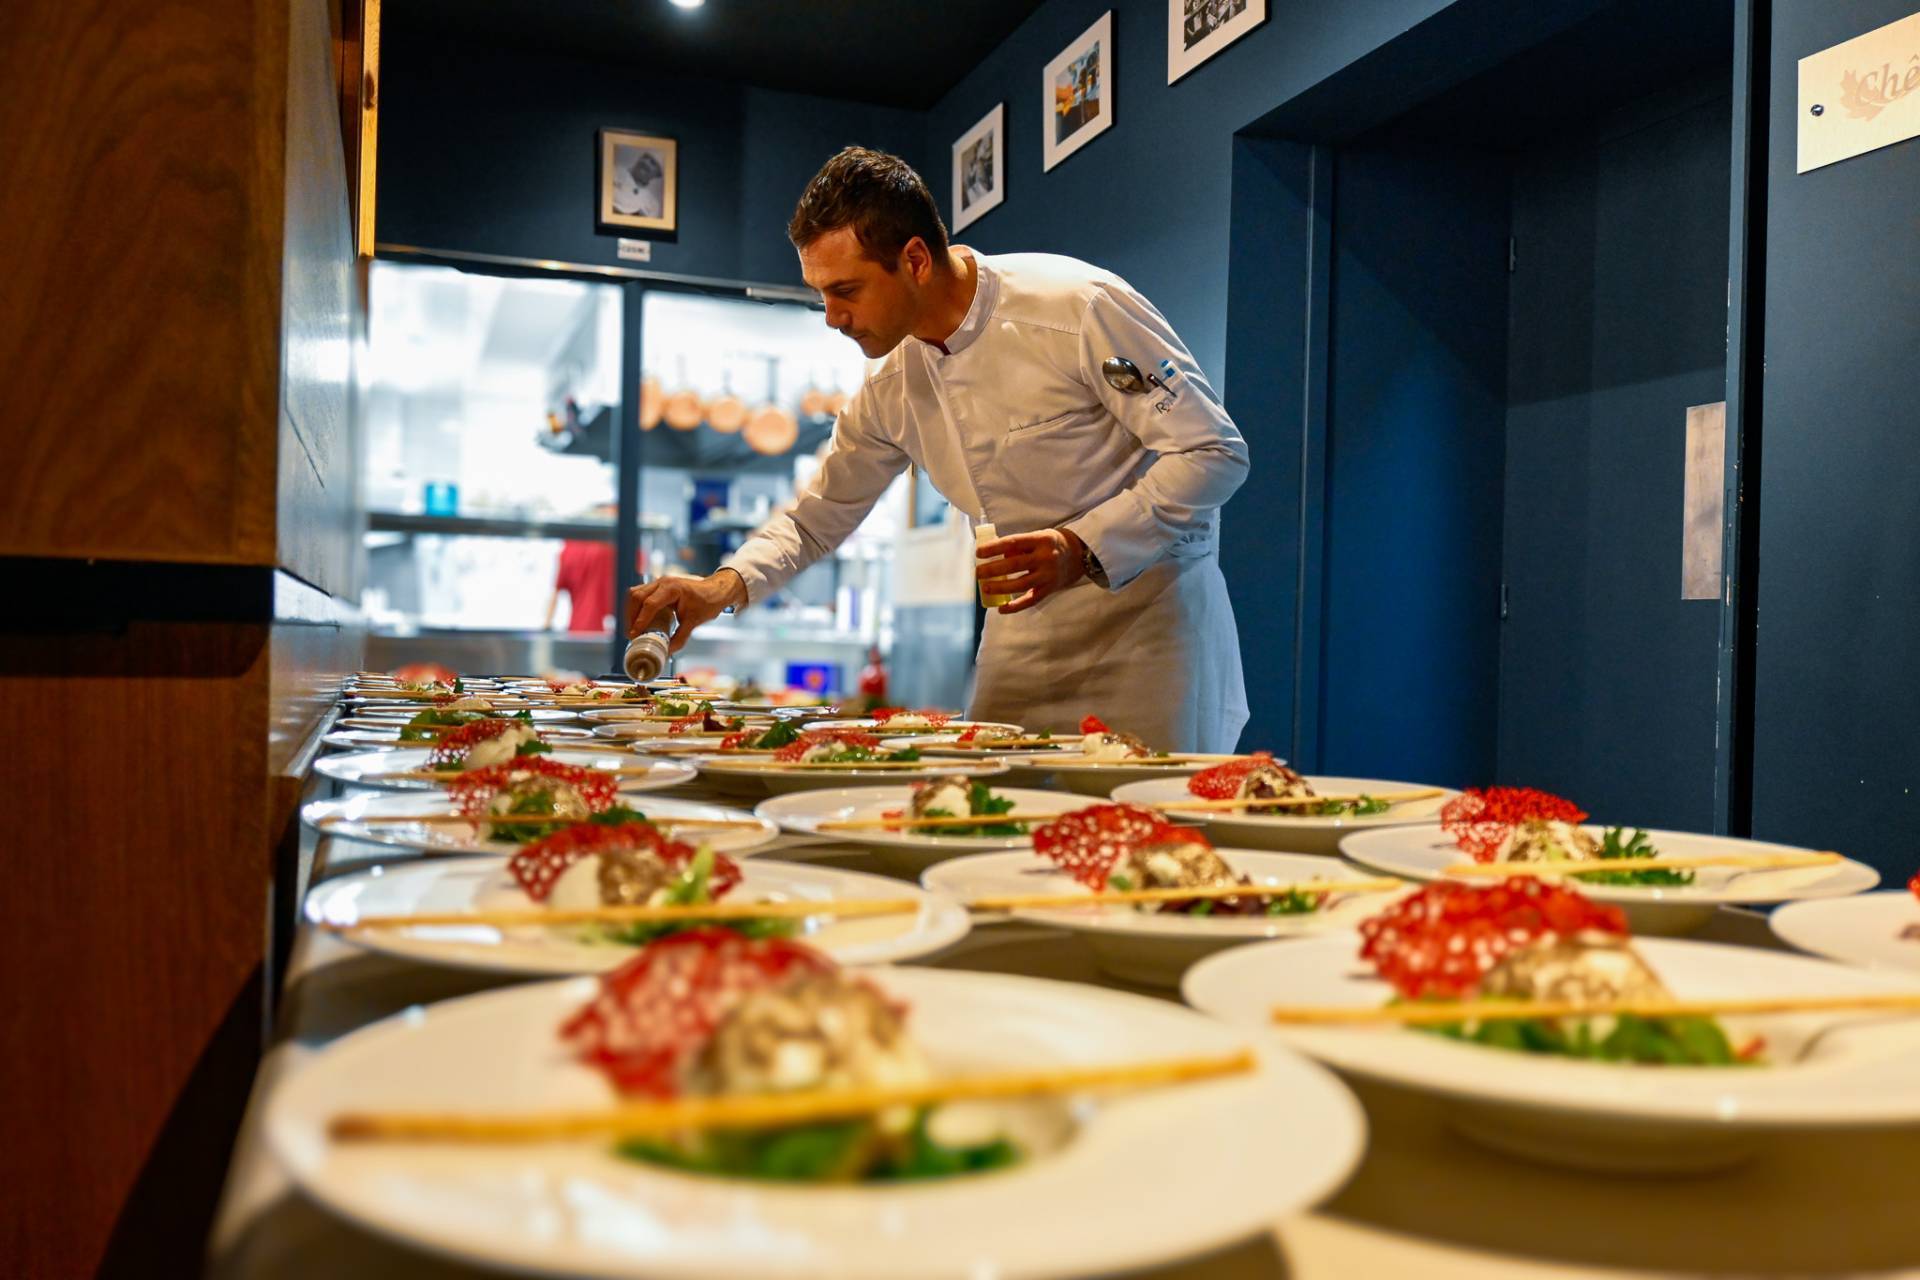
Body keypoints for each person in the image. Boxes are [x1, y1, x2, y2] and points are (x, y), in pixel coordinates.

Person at [625, 147, 1249, 751]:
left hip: (1151, 629)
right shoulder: (892, 383)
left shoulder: (1077, 306)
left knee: (1148, 836)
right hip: (1022, 636)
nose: (831, 317)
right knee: (1000, 834)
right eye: (821, 293)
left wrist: (1080, 546)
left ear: (916, 259)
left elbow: (1213, 452)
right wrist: (723, 584)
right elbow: (816, 520)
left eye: (845, 290)